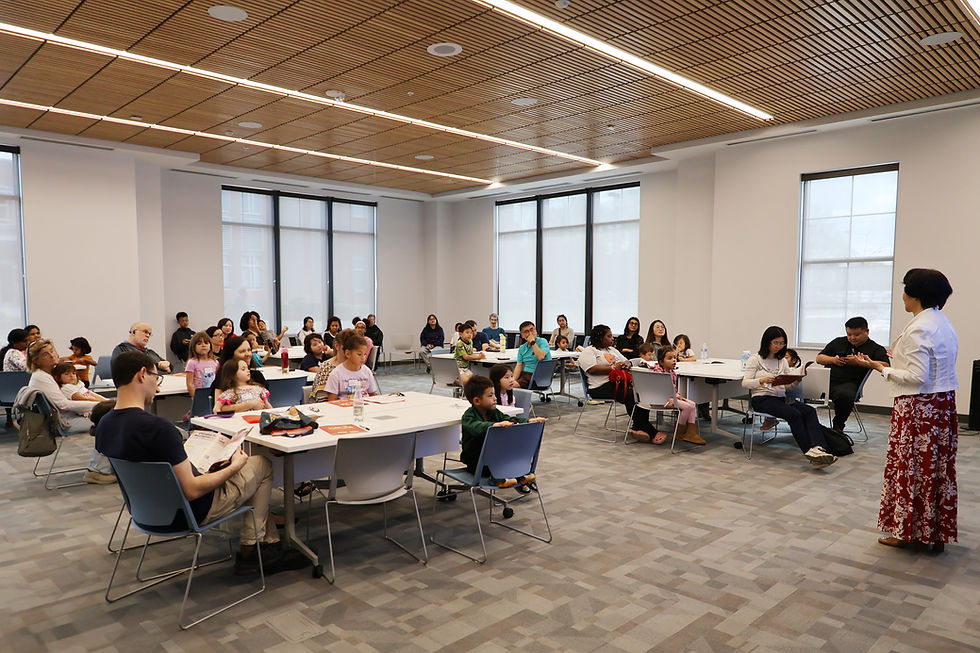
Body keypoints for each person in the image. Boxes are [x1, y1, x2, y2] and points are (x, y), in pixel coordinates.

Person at [95, 350, 303, 575]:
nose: (158, 386)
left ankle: (269, 541)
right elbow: (192, 490)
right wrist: (235, 465)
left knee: (230, 467)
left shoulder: (105, 425)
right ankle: (252, 550)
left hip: (146, 512)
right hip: (190, 512)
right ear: (142, 374)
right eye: (157, 378)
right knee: (261, 464)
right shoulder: (159, 428)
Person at [852, 269, 958, 552]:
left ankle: (906, 531)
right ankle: (932, 532)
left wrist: (881, 368)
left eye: (905, 290)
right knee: (933, 469)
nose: (902, 296)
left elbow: (916, 377)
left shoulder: (919, 328)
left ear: (915, 295)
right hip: (940, 404)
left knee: (910, 468)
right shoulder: (941, 322)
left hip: (918, 407)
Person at [742, 326, 836, 468]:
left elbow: (786, 387)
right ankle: (810, 452)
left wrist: (797, 380)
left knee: (809, 410)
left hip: (780, 398)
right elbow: (745, 383)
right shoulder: (755, 359)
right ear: (767, 342)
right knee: (794, 414)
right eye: (776, 343)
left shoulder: (782, 361)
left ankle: (819, 448)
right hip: (762, 399)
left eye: (782, 343)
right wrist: (761, 380)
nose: (779, 346)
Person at [26, 339, 114, 484]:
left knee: (110, 415)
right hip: (64, 421)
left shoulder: (51, 372)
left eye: (52, 351)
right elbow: (64, 405)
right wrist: (99, 405)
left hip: (68, 415)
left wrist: (104, 403)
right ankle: (97, 470)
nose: (52, 355)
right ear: (36, 361)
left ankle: (104, 466)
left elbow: (82, 391)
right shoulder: (41, 377)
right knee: (109, 421)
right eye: (46, 354)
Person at [578, 324, 660, 444]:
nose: (612, 339)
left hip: (617, 383)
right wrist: (613, 368)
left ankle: (638, 428)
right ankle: (650, 431)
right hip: (599, 387)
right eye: (609, 336)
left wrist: (626, 364)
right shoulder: (589, 351)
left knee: (640, 392)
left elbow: (625, 360)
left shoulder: (612, 350)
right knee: (630, 395)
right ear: (600, 337)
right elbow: (592, 369)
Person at [460, 375, 543, 481]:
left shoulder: (494, 412)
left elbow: (509, 419)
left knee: (508, 453)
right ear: (477, 401)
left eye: (494, 394)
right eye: (490, 396)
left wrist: (528, 421)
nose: (495, 398)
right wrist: (494, 425)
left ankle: (515, 475)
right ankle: (502, 477)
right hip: (475, 461)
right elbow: (476, 427)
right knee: (499, 459)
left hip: (493, 458)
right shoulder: (468, 416)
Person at [815, 316, 890, 432]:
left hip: (850, 384)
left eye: (856, 334)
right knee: (800, 386)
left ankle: (838, 425)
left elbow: (885, 365)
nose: (852, 338)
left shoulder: (875, 348)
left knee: (844, 395)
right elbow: (819, 358)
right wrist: (833, 360)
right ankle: (806, 424)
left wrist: (860, 362)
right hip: (827, 381)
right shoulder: (838, 342)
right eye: (849, 334)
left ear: (867, 331)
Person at [650, 347, 704, 445]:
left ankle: (691, 433)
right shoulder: (658, 374)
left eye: (674, 358)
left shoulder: (672, 373)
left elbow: (674, 390)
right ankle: (679, 433)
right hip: (661, 401)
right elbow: (658, 392)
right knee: (687, 407)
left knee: (692, 404)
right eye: (669, 358)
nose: (674, 360)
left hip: (671, 398)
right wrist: (668, 402)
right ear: (661, 362)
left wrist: (678, 396)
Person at [325, 333, 379, 401]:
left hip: (364, 405)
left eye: (365, 354)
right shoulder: (336, 374)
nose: (363, 358)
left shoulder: (367, 371)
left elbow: (373, 395)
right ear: (348, 354)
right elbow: (332, 400)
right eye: (359, 354)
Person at [312, 329, 351, 401]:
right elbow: (322, 400)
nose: (350, 351)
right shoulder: (326, 368)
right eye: (347, 347)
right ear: (337, 346)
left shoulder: (358, 367)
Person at [513, 321, 552, 389]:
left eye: (532, 330)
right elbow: (519, 366)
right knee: (505, 382)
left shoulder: (542, 341)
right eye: (526, 331)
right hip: (525, 375)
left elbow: (541, 357)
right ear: (522, 335)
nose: (530, 333)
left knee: (509, 385)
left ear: (536, 331)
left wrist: (533, 342)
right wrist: (512, 380)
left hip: (539, 376)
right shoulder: (522, 348)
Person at [184, 331, 219, 398]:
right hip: (199, 395)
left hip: (212, 395)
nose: (203, 345)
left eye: (206, 343)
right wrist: (196, 397)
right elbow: (189, 383)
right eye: (199, 344)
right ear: (193, 347)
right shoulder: (192, 362)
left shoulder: (215, 362)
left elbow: (218, 380)